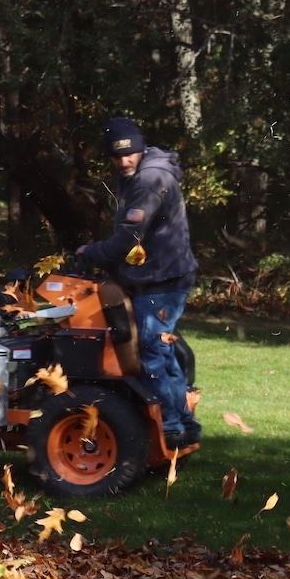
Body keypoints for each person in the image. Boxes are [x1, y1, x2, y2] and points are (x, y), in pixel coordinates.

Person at [74, 116, 202, 449]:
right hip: (160, 275)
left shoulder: (149, 179)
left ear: (141, 149)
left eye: (130, 153)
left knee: (151, 351)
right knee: (162, 349)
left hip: (163, 281)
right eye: (116, 156)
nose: (124, 160)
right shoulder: (136, 175)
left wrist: (92, 252)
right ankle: (184, 424)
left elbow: (128, 240)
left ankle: (171, 427)